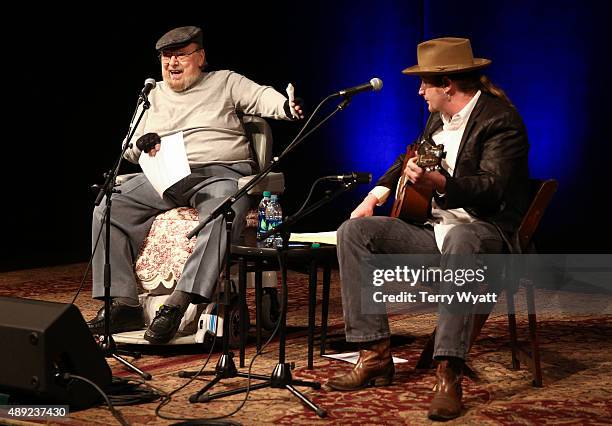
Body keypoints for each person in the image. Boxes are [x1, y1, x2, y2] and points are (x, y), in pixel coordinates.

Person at [326, 37, 530, 421]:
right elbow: (408, 156)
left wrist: (441, 183)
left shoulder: (501, 121)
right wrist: (377, 195)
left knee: (462, 235)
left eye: (425, 83)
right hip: (437, 234)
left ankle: (448, 372)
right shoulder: (438, 118)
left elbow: (492, 190)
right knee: (355, 231)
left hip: (486, 235)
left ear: (447, 84)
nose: (420, 91)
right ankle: (374, 356)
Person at [87, 26, 303, 344]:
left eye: (180, 56)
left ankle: (179, 301)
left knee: (224, 208)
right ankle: (123, 303)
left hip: (219, 173)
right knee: (109, 205)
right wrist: (140, 145)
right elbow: (129, 150)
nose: (172, 63)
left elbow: (261, 97)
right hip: (166, 177)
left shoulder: (225, 81)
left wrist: (286, 107)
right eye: (166, 57)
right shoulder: (153, 94)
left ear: (200, 57)